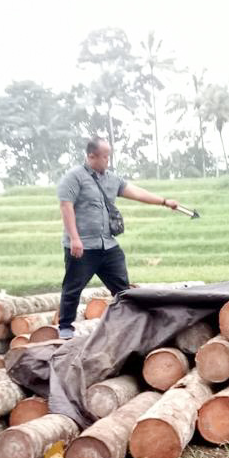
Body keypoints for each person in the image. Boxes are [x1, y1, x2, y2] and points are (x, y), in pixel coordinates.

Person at [55, 137, 178, 337]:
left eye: (109, 157)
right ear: (91, 156)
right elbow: (65, 206)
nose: (108, 161)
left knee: (122, 287)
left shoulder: (111, 179)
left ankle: (130, 321)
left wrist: (164, 201)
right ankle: (65, 327)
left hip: (107, 244)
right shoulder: (74, 177)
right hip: (83, 245)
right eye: (104, 157)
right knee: (72, 287)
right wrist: (74, 238)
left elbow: (136, 192)